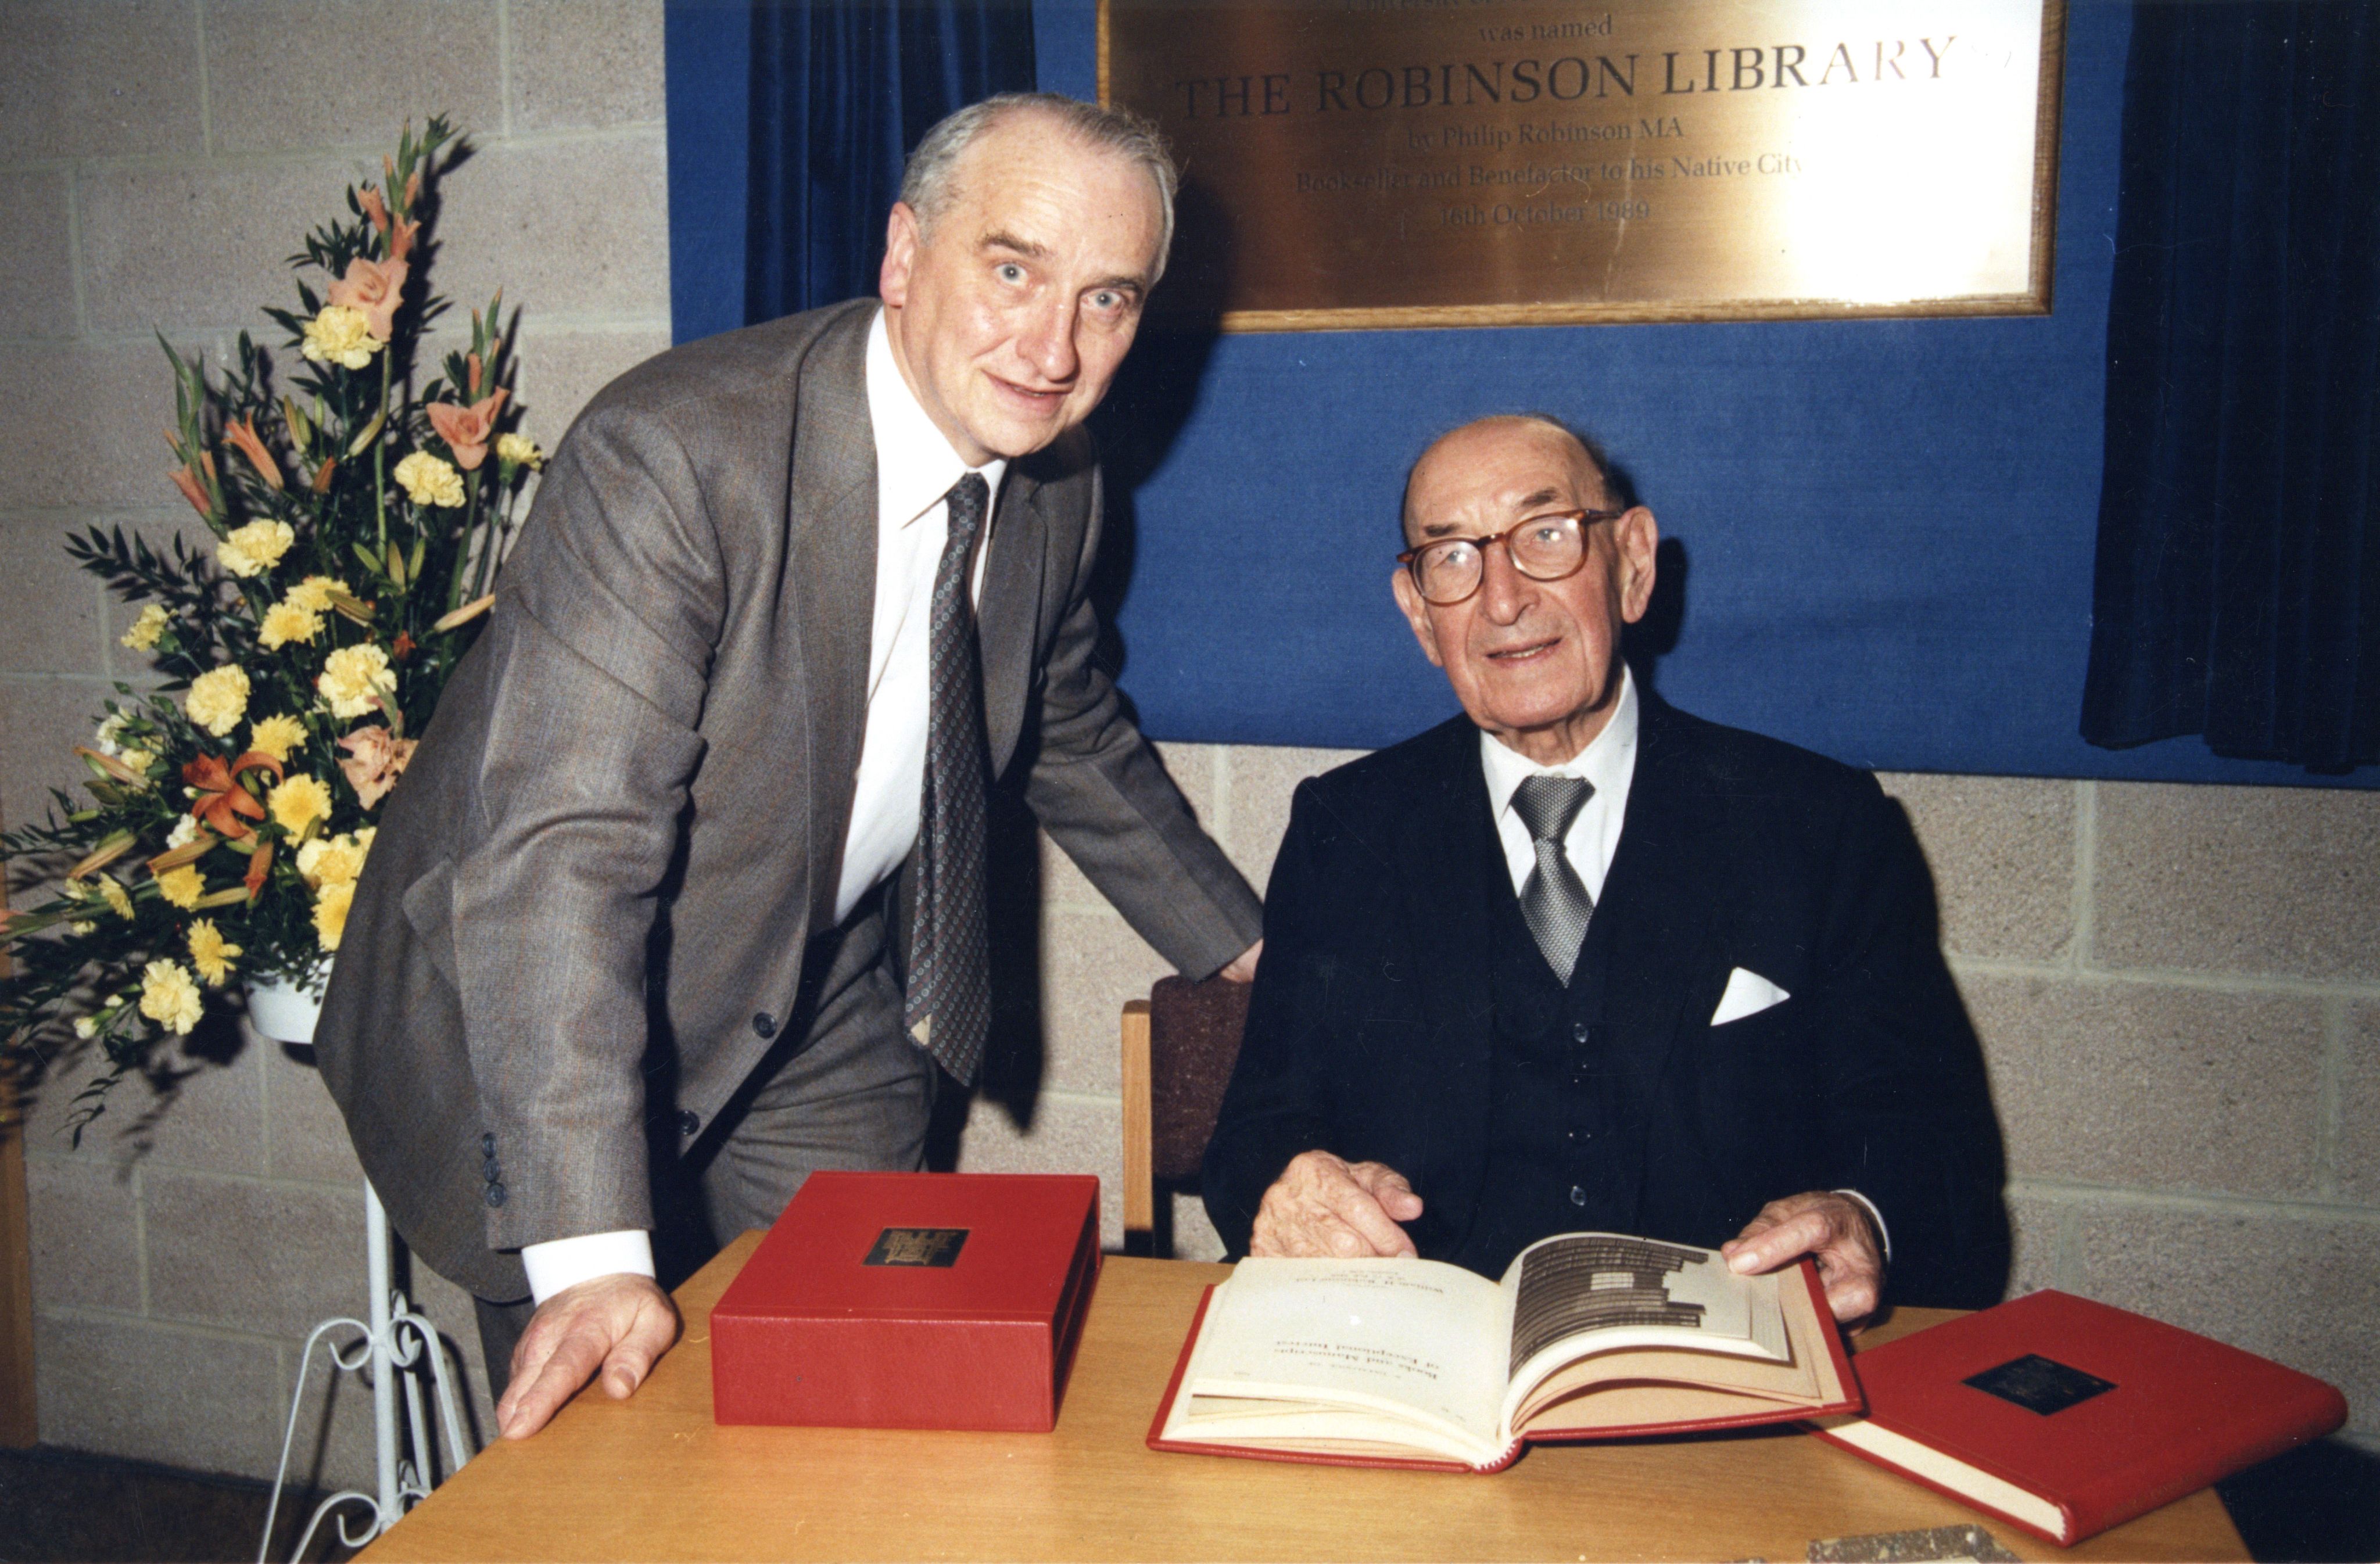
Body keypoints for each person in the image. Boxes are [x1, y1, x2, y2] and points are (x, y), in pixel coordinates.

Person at [315, 94, 1263, 1440]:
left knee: (866, 1381)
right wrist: (591, 1263)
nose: (1052, 347)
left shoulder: (1059, 479)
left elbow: (1057, 717)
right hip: (546, 1007)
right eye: (1012, 269)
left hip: (811, 995)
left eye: (1106, 299)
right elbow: (561, 861)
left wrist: (1237, 944)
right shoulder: (677, 457)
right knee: (621, 1457)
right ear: (901, 254)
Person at [1202, 414, 2006, 1320]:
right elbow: (1255, 1139)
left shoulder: (1819, 826)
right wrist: (1292, 1195)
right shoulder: (1345, 828)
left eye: (1545, 537)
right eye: (1455, 559)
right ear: (1419, 614)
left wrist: (1861, 1217)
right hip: (1429, 1368)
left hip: (1722, 1376)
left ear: (1633, 563)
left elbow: (1933, 1151)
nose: (1502, 600)